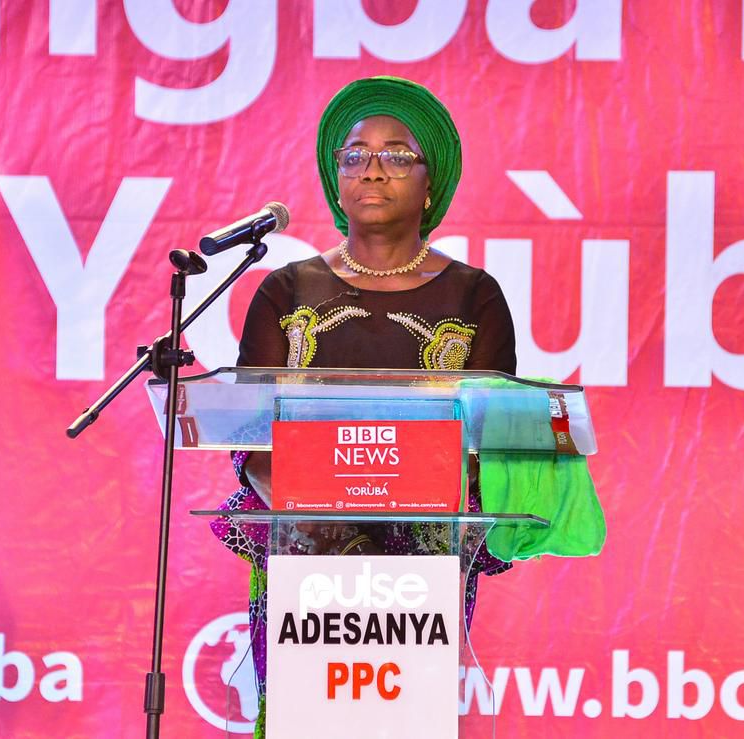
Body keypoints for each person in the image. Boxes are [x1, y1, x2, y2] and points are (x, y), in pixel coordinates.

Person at [210, 76, 518, 737]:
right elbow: (250, 440)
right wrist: (334, 538)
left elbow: (487, 441)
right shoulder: (285, 289)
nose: (373, 167)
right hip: (305, 560)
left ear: (431, 183)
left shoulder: (476, 296)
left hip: (421, 568)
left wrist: (393, 543)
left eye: (397, 154)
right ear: (336, 176)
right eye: (355, 154)